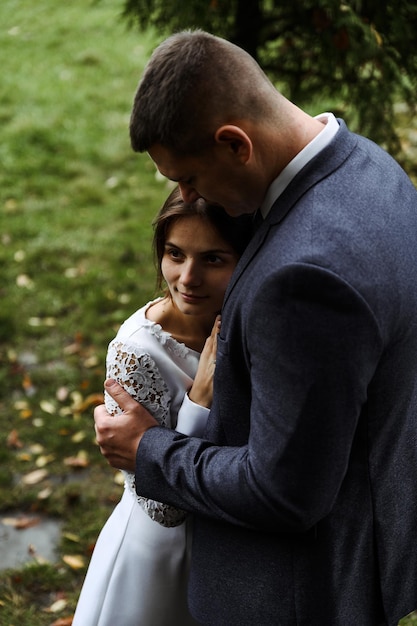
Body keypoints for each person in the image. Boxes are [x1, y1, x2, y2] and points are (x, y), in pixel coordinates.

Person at [94, 30, 417, 626]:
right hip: (370, 541)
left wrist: (148, 450)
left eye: (188, 176)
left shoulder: (302, 279)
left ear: (235, 144)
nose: (185, 195)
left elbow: (283, 492)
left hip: (291, 593)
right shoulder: (372, 166)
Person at [73, 186, 250, 626]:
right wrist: (200, 400)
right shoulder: (135, 354)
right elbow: (162, 507)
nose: (188, 278)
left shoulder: (251, 321)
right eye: (175, 254)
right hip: (165, 562)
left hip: (239, 548)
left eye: (213, 259)